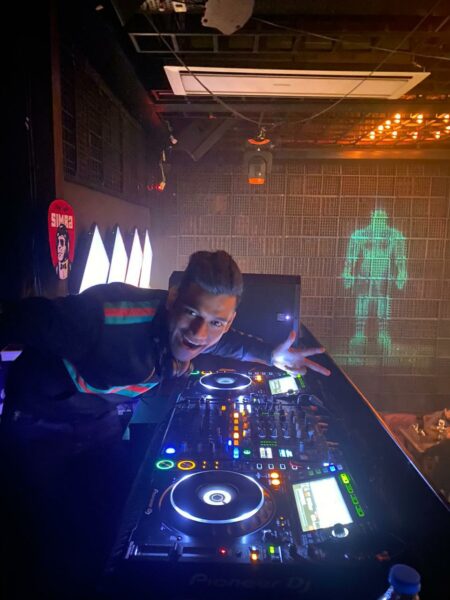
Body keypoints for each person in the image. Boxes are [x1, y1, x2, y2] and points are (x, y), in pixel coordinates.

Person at [0, 250, 329, 598]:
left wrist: (270, 356)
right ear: (173, 299)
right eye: (192, 313)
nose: (199, 333)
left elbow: (226, 343)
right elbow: (20, 320)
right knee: (43, 547)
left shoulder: (203, 333)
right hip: (39, 423)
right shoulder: (108, 316)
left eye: (216, 322)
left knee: (111, 526)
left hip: (97, 420)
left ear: (229, 321)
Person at [342, 209, 407, 360]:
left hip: (384, 276)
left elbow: (400, 259)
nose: (379, 218)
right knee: (362, 303)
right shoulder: (360, 235)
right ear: (371, 216)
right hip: (365, 275)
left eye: (382, 216)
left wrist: (402, 273)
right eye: (376, 215)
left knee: (383, 304)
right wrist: (347, 272)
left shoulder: (394, 235)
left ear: (386, 217)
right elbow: (350, 258)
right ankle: (359, 335)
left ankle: (383, 335)